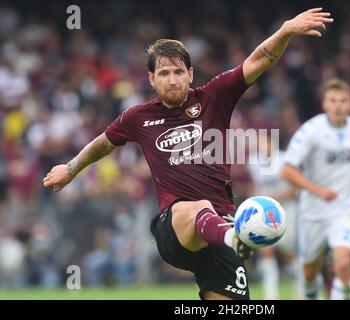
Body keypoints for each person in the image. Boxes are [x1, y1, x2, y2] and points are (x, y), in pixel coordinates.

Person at [43, 8, 334, 300]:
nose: (172, 80)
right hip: (176, 229)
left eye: (178, 72)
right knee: (196, 207)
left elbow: (260, 59)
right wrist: (71, 169)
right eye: (164, 73)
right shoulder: (138, 117)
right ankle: (237, 238)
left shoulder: (214, 97)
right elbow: (103, 143)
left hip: (219, 226)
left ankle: (231, 237)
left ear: (190, 74)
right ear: (151, 79)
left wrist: (284, 31)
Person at [282, 79, 350, 300]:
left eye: (343, 101)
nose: (337, 105)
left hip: (345, 206)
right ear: (324, 104)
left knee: (344, 262)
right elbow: (287, 171)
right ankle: (311, 293)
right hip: (313, 209)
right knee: (310, 270)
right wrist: (318, 190)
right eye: (333, 101)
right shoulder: (310, 131)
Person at [247, 137, 302, 300]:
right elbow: (256, 186)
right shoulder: (254, 162)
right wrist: (255, 200)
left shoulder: (285, 159)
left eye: (265, 142)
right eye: (259, 144)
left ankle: (301, 288)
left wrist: (274, 198)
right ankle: (271, 296)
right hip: (265, 212)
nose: (262, 147)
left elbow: (296, 188)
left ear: (273, 143)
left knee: (289, 253)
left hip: (288, 210)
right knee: (265, 250)